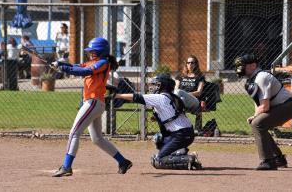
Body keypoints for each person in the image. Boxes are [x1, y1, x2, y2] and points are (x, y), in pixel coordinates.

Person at [51, 37, 132, 177]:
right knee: (97, 139)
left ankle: (66, 166)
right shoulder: (93, 62)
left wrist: (63, 68)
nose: (91, 53)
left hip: (93, 102)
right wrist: (60, 64)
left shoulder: (103, 63)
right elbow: (77, 66)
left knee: (74, 132)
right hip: (94, 104)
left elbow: (84, 72)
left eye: (93, 51)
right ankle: (123, 161)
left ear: (101, 52)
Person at [113, 73, 202, 170]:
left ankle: (188, 159)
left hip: (180, 134)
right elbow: (172, 112)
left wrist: (117, 95)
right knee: (158, 139)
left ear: (163, 86)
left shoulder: (160, 97)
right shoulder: (171, 96)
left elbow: (137, 97)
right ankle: (180, 152)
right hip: (186, 132)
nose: (154, 87)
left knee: (157, 160)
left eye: (157, 85)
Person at [234, 54, 292, 170]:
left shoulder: (261, 77)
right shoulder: (252, 79)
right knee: (258, 124)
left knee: (257, 124)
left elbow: (265, 106)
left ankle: (268, 161)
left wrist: (255, 117)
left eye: (243, 65)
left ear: (253, 66)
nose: (240, 68)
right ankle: (278, 159)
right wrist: (256, 116)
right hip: (282, 106)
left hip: (288, 106)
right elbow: (258, 103)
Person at [175, 55, 205, 131]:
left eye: (192, 63)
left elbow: (199, 92)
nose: (190, 65)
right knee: (180, 97)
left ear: (196, 64)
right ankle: (182, 127)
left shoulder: (200, 76)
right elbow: (176, 88)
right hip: (182, 100)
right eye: (188, 63)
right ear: (186, 64)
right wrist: (182, 95)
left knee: (179, 93)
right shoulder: (180, 76)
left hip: (194, 101)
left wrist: (186, 94)